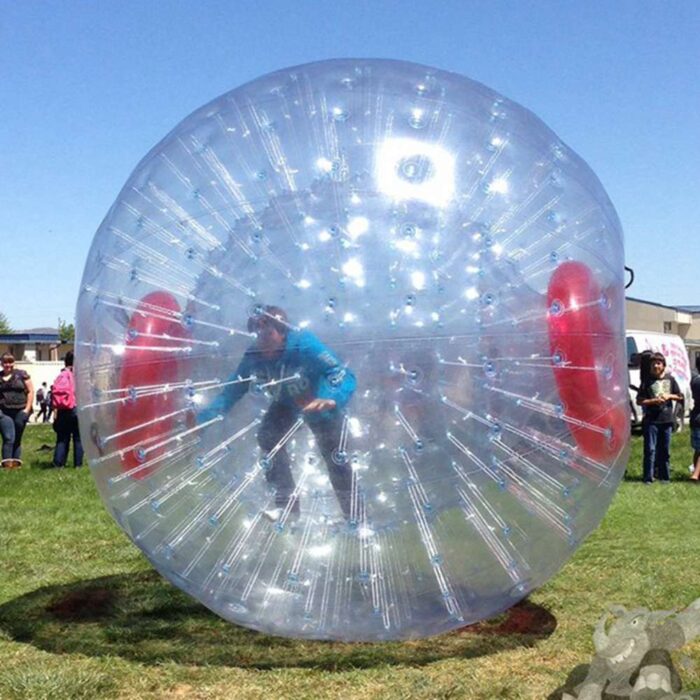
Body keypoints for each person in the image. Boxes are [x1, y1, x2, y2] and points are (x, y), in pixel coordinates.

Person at [198, 305, 356, 522]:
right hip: (286, 404)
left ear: (282, 332)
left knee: (335, 458)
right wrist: (204, 419)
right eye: (257, 333)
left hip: (319, 404)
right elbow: (234, 387)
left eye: (268, 332)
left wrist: (331, 397)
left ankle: (357, 518)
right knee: (268, 437)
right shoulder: (254, 355)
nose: (262, 339)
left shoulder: (303, 344)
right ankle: (288, 508)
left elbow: (338, 372)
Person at [636, 352, 683, 484]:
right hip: (651, 420)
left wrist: (669, 396)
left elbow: (680, 396)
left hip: (667, 420)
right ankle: (648, 477)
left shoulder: (670, 379)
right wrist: (652, 401)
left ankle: (665, 476)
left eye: (658, 363)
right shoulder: (647, 381)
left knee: (665, 450)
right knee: (650, 449)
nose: (655, 366)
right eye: (653, 364)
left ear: (663, 365)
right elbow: (639, 400)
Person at [0, 352, 34, 467]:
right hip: (4, 412)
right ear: (1, 363)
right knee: (9, 437)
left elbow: (30, 391)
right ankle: (6, 464)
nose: (8, 365)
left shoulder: (22, 375)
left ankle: (16, 463)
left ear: (14, 363)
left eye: (10, 362)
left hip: (21, 410)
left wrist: (27, 409)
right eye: (5, 362)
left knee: (17, 437)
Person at [52, 351, 83, 468]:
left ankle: (58, 463)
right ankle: (78, 465)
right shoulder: (79, 375)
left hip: (63, 409)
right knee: (78, 438)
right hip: (76, 408)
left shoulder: (61, 375)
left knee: (62, 438)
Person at [689, 356, 700, 482]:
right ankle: (696, 475)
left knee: (698, 449)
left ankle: (697, 473)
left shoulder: (695, 380)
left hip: (695, 417)